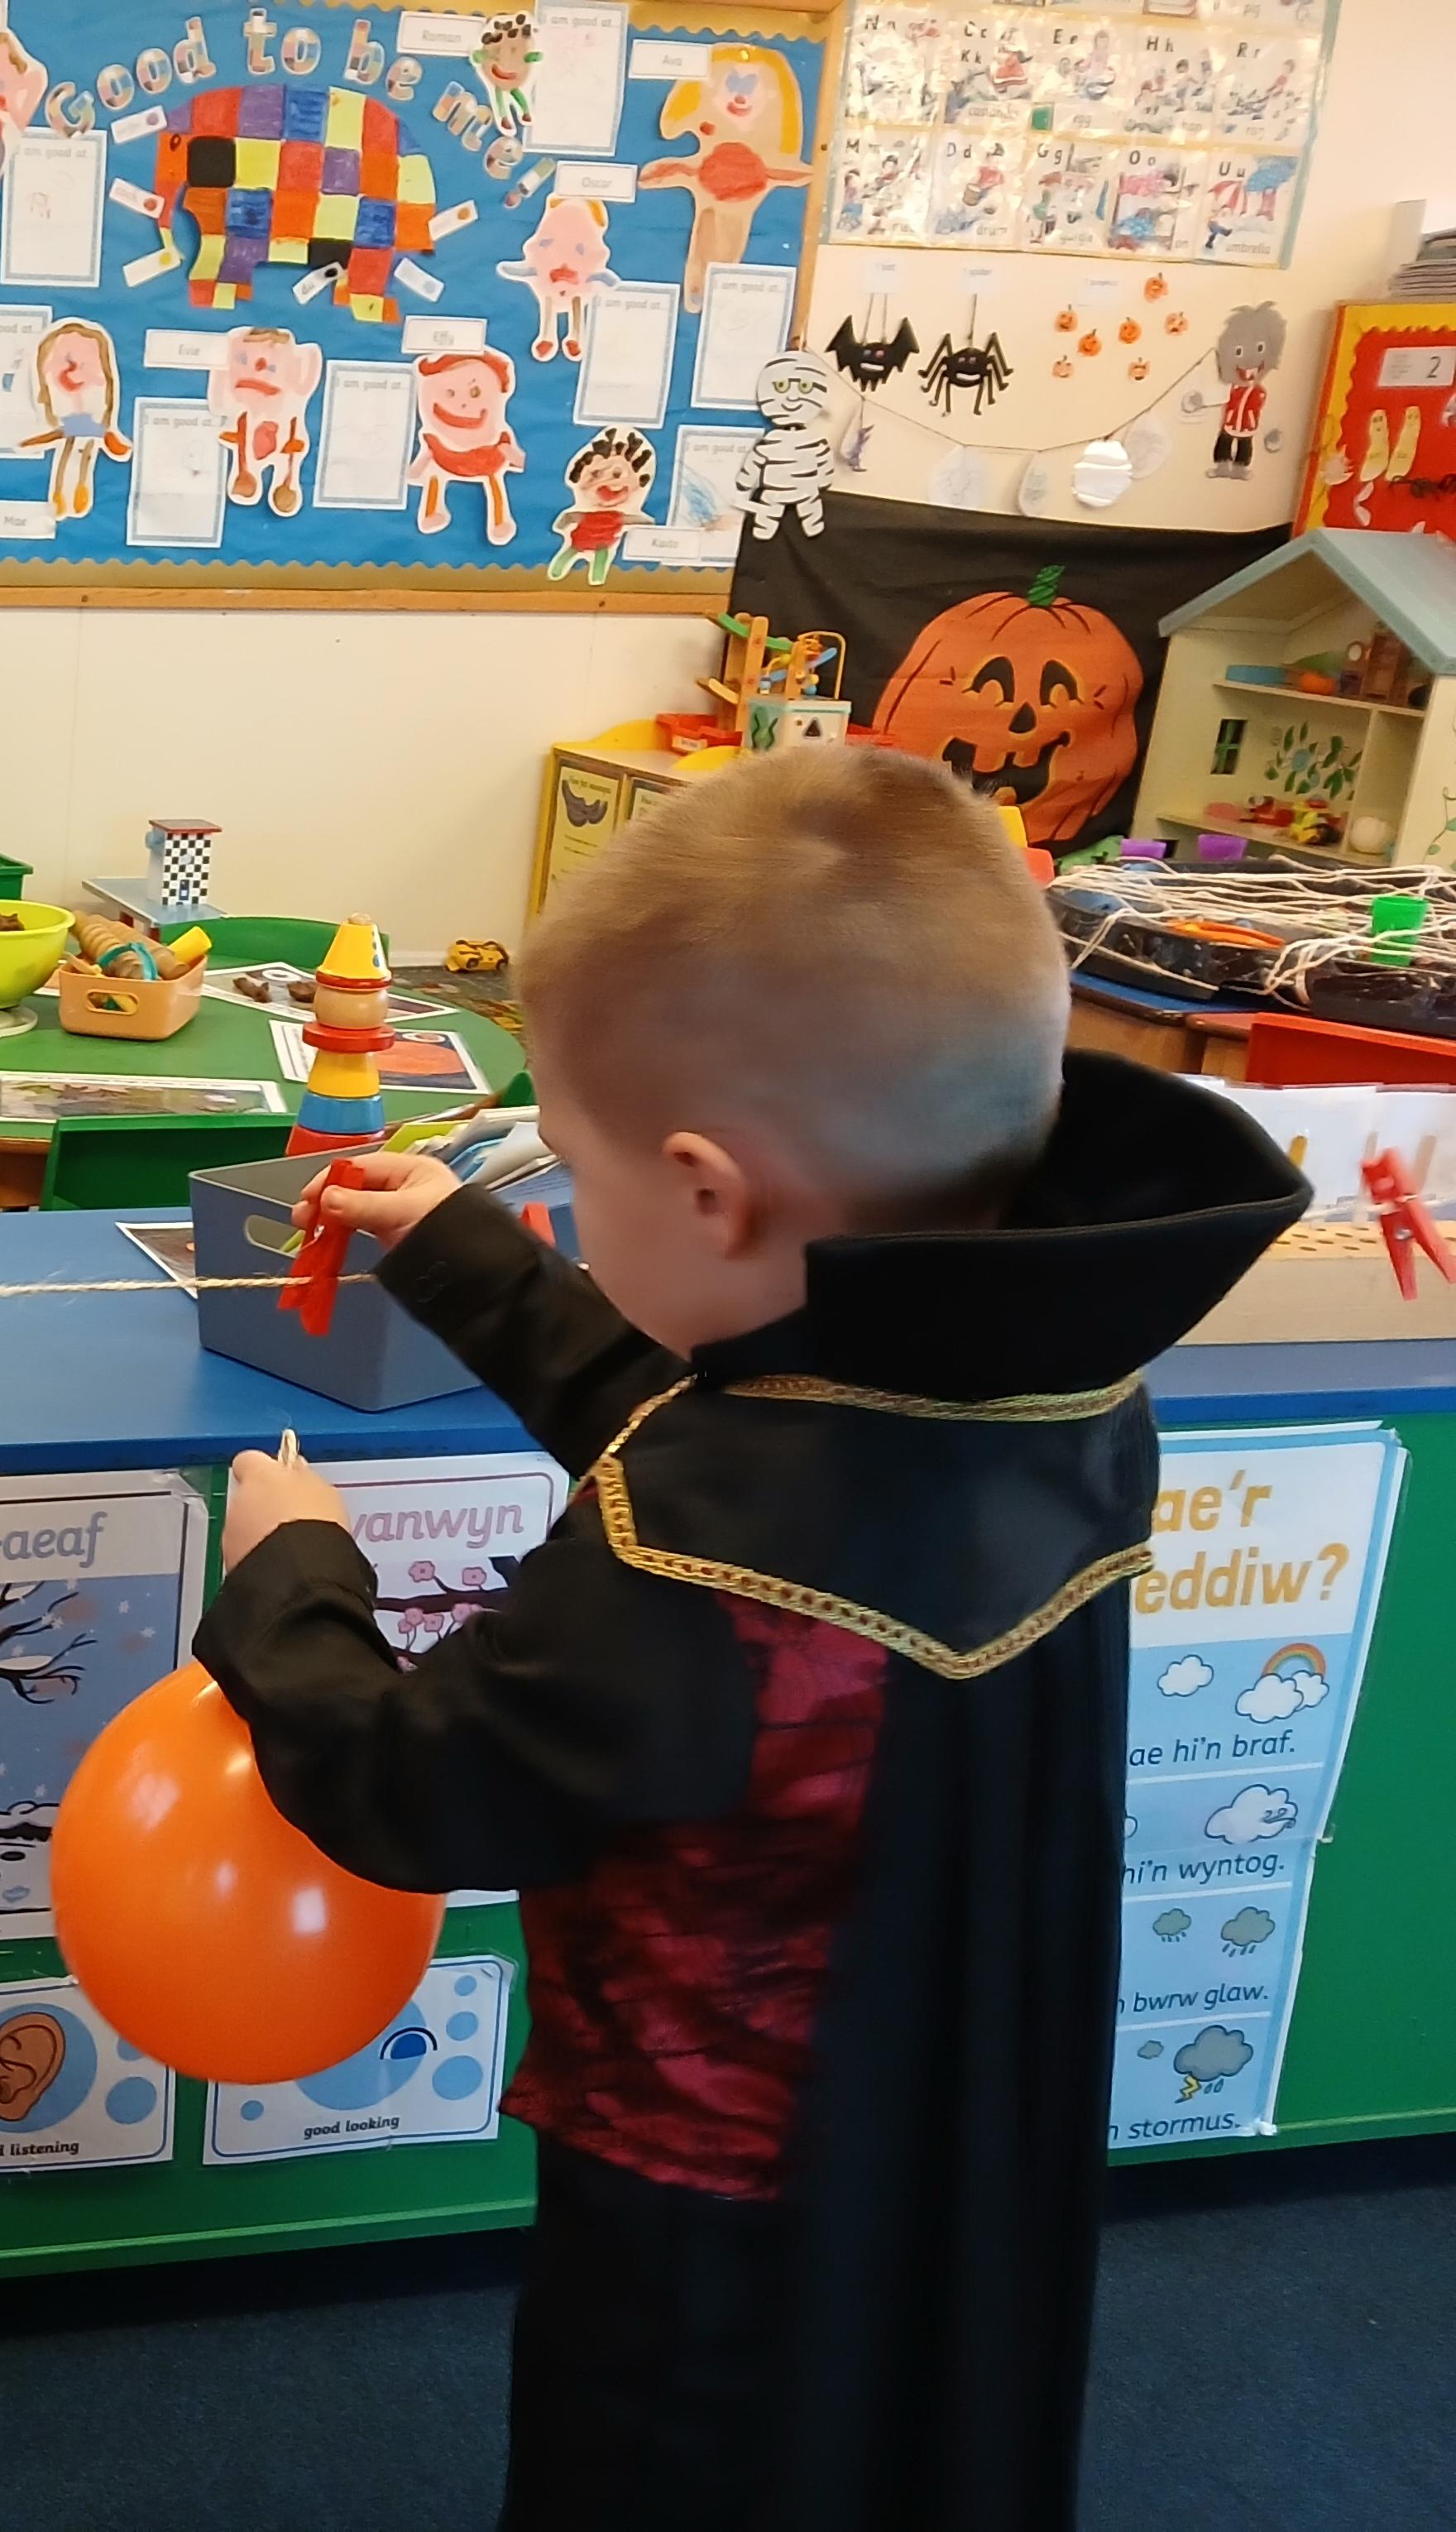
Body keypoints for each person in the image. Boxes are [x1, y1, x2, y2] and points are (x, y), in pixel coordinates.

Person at [198, 748, 1306, 2531]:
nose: (575, 1207)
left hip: (709, 2228)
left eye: (576, 1175)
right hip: (971, 2152)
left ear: (710, 1190)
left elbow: (411, 1789)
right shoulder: (1065, 1393)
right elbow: (758, 1443)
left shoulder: (693, 1546)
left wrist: (291, 1574)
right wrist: (481, 1264)